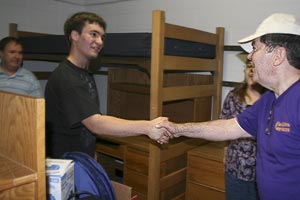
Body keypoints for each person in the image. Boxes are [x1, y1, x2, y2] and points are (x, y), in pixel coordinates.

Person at [157, 13, 300, 200]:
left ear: (278, 56)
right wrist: (177, 129)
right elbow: (227, 127)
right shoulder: (268, 100)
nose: (249, 56)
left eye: (255, 48)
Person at [45, 12, 168, 159]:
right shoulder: (66, 77)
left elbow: (85, 124)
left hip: (81, 158)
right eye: (94, 34)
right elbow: (96, 124)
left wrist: (92, 154)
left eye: (102, 37)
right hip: (65, 165)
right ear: (75, 35)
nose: (100, 42)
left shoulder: (84, 73)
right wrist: (148, 127)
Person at [220, 61, 265, 200]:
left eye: (255, 68)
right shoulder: (233, 97)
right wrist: (225, 154)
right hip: (236, 168)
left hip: (263, 173)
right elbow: (223, 127)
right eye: (249, 67)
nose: (251, 71)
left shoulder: (270, 98)